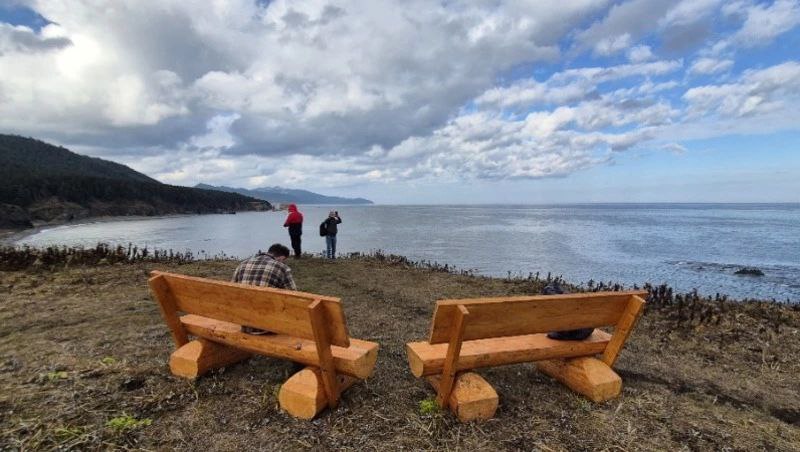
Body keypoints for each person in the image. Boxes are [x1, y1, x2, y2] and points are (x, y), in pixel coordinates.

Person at [231, 243, 296, 334]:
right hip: (268, 327)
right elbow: (294, 297)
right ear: (281, 257)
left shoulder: (242, 264)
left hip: (244, 323)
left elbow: (231, 292)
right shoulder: (282, 268)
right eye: (284, 260)